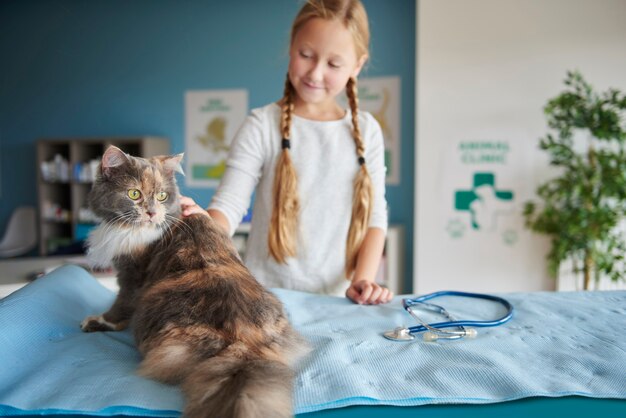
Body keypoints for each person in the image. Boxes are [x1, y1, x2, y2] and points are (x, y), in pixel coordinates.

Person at [181, 0, 392, 305]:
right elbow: (229, 206)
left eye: (333, 64)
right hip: (263, 300)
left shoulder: (367, 130)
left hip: (339, 303)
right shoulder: (261, 126)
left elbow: (376, 218)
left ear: (357, 66)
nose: (316, 73)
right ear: (292, 46)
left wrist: (363, 280)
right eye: (306, 55)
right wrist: (204, 224)